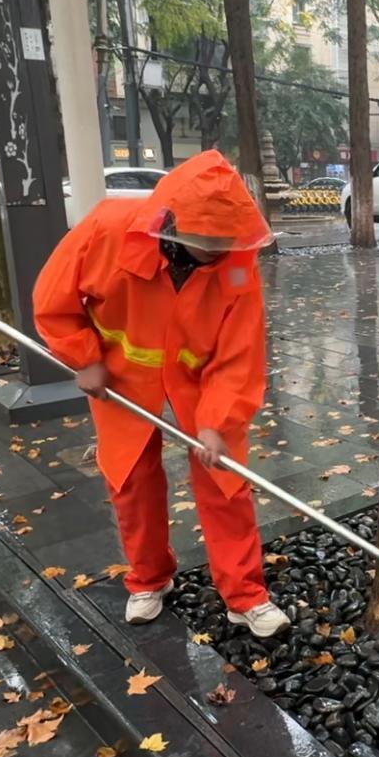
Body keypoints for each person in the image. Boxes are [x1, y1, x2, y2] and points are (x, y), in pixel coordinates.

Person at [33, 149, 291, 636]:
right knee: (131, 479)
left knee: (225, 480)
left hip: (200, 381)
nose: (218, 249)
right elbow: (54, 301)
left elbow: (239, 354)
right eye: (206, 240)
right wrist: (84, 357)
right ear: (171, 223)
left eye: (225, 239)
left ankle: (245, 595)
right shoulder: (108, 231)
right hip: (122, 376)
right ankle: (149, 579)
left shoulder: (237, 263)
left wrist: (216, 421)